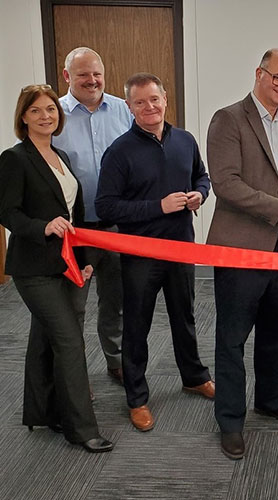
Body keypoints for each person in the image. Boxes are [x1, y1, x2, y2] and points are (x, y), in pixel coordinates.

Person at [206, 48, 278, 460]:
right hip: (241, 250)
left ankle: (269, 399)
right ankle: (230, 421)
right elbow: (226, 183)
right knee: (233, 338)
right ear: (259, 74)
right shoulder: (228, 119)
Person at [95, 73, 214, 433]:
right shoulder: (119, 151)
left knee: (184, 317)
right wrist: (157, 207)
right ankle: (137, 398)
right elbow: (105, 207)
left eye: (154, 99)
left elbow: (202, 177)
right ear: (129, 107)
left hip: (180, 248)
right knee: (137, 326)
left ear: (165, 99)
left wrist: (199, 194)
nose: (149, 107)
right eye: (140, 102)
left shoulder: (185, 140)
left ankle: (194, 377)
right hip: (141, 255)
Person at [0, 84, 113, 452]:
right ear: (23, 117)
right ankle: (80, 428)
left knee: (44, 339)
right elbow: (8, 213)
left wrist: (83, 262)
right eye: (35, 110)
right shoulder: (15, 158)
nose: (45, 116)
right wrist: (43, 226)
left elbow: (73, 215)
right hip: (33, 268)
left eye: (50, 109)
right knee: (69, 340)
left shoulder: (60, 155)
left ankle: (43, 410)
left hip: (64, 263)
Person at [52, 47, 132, 385]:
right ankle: (74, 376)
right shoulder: (53, 114)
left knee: (116, 301)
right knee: (73, 307)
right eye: (83, 74)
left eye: (97, 73)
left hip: (116, 227)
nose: (92, 80)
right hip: (73, 230)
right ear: (67, 76)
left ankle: (117, 360)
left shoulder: (123, 110)